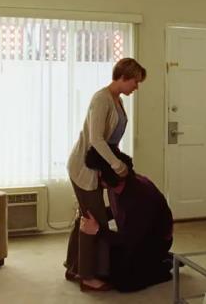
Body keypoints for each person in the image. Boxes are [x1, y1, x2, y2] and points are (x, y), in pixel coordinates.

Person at [64, 58, 146, 292]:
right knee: (95, 220)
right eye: (135, 81)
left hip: (96, 167)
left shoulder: (117, 100)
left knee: (85, 216)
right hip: (83, 168)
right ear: (123, 77)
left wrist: (111, 165)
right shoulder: (101, 99)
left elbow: (111, 141)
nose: (136, 87)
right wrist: (117, 165)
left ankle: (74, 267)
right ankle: (88, 277)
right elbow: (96, 139)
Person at [80, 168, 175, 292]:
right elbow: (118, 210)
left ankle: (163, 266)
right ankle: (153, 262)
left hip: (156, 242)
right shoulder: (119, 184)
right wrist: (97, 215)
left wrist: (98, 230)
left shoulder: (140, 196)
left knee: (124, 283)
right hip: (137, 234)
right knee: (107, 265)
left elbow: (128, 239)